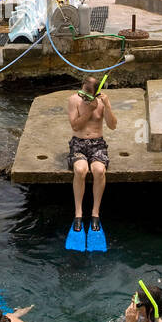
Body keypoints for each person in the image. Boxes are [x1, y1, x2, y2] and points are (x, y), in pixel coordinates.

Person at [67, 75, 116, 237]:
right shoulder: (74, 100)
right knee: (80, 170)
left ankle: (95, 213)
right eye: (83, 94)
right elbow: (75, 126)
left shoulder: (102, 102)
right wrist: (88, 110)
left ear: (96, 94)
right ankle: (78, 214)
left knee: (99, 170)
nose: (84, 98)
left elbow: (112, 125)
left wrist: (107, 106)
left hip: (97, 144)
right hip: (78, 143)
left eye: (88, 96)